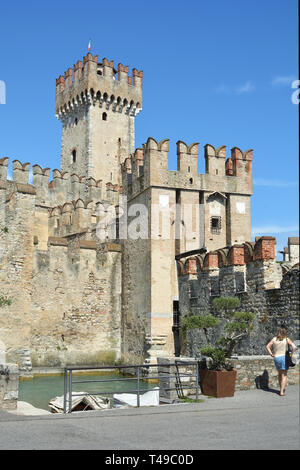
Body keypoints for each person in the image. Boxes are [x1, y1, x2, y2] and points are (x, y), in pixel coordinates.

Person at [266, 327, 297, 396]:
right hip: (284, 357)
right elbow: (294, 347)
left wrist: (271, 354)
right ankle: (281, 391)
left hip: (276, 357)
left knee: (279, 374)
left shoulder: (274, 339)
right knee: (284, 375)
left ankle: (281, 388)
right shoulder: (286, 339)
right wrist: (291, 353)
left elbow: (267, 346)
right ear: (285, 332)